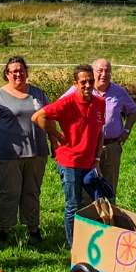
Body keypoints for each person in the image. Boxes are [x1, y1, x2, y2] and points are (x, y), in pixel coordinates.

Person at [0, 56, 49, 242]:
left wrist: (56, 142)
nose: (18, 74)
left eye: (21, 70)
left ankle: (33, 229)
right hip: (6, 154)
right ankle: (6, 230)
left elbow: (49, 119)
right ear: (7, 74)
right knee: (9, 192)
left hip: (36, 152)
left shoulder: (38, 94)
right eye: (14, 71)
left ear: (27, 71)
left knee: (32, 192)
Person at [34, 66, 106, 245]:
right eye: (83, 82)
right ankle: (73, 245)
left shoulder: (100, 103)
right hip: (70, 161)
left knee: (93, 203)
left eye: (90, 81)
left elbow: (99, 133)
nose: (88, 85)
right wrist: (56, 134)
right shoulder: (67, 102)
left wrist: (97, 159)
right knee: (73, 205)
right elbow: (38, 117)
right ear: (75, 84)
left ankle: (92, 241)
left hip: (89, 162)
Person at [92, 57, 136, 200]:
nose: (104, 75)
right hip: (89, 147)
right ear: (93, 72)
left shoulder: (119, 92)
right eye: (100, 71)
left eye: (107, 71)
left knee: (109, 187)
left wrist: (126, 131)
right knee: (88, 186)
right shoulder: (84, 89)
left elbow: (133, 111)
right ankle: (89, 220)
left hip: (111, 146)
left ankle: (109, 219)